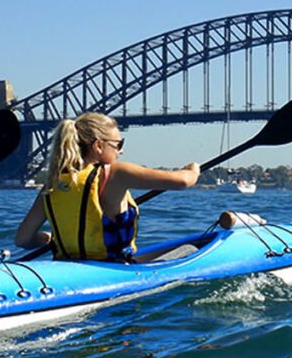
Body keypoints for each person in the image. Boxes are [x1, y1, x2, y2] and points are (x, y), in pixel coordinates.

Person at [15, 112, 200, 261]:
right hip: (113, 269)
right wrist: (193, 169)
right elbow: (184, 181)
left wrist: (48, 238)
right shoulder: (116, 173)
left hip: (66, 268)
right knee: (191, 249)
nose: (121, 151)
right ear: (98, 146)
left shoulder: (52, 184)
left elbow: (22, 239)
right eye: (118, 144)